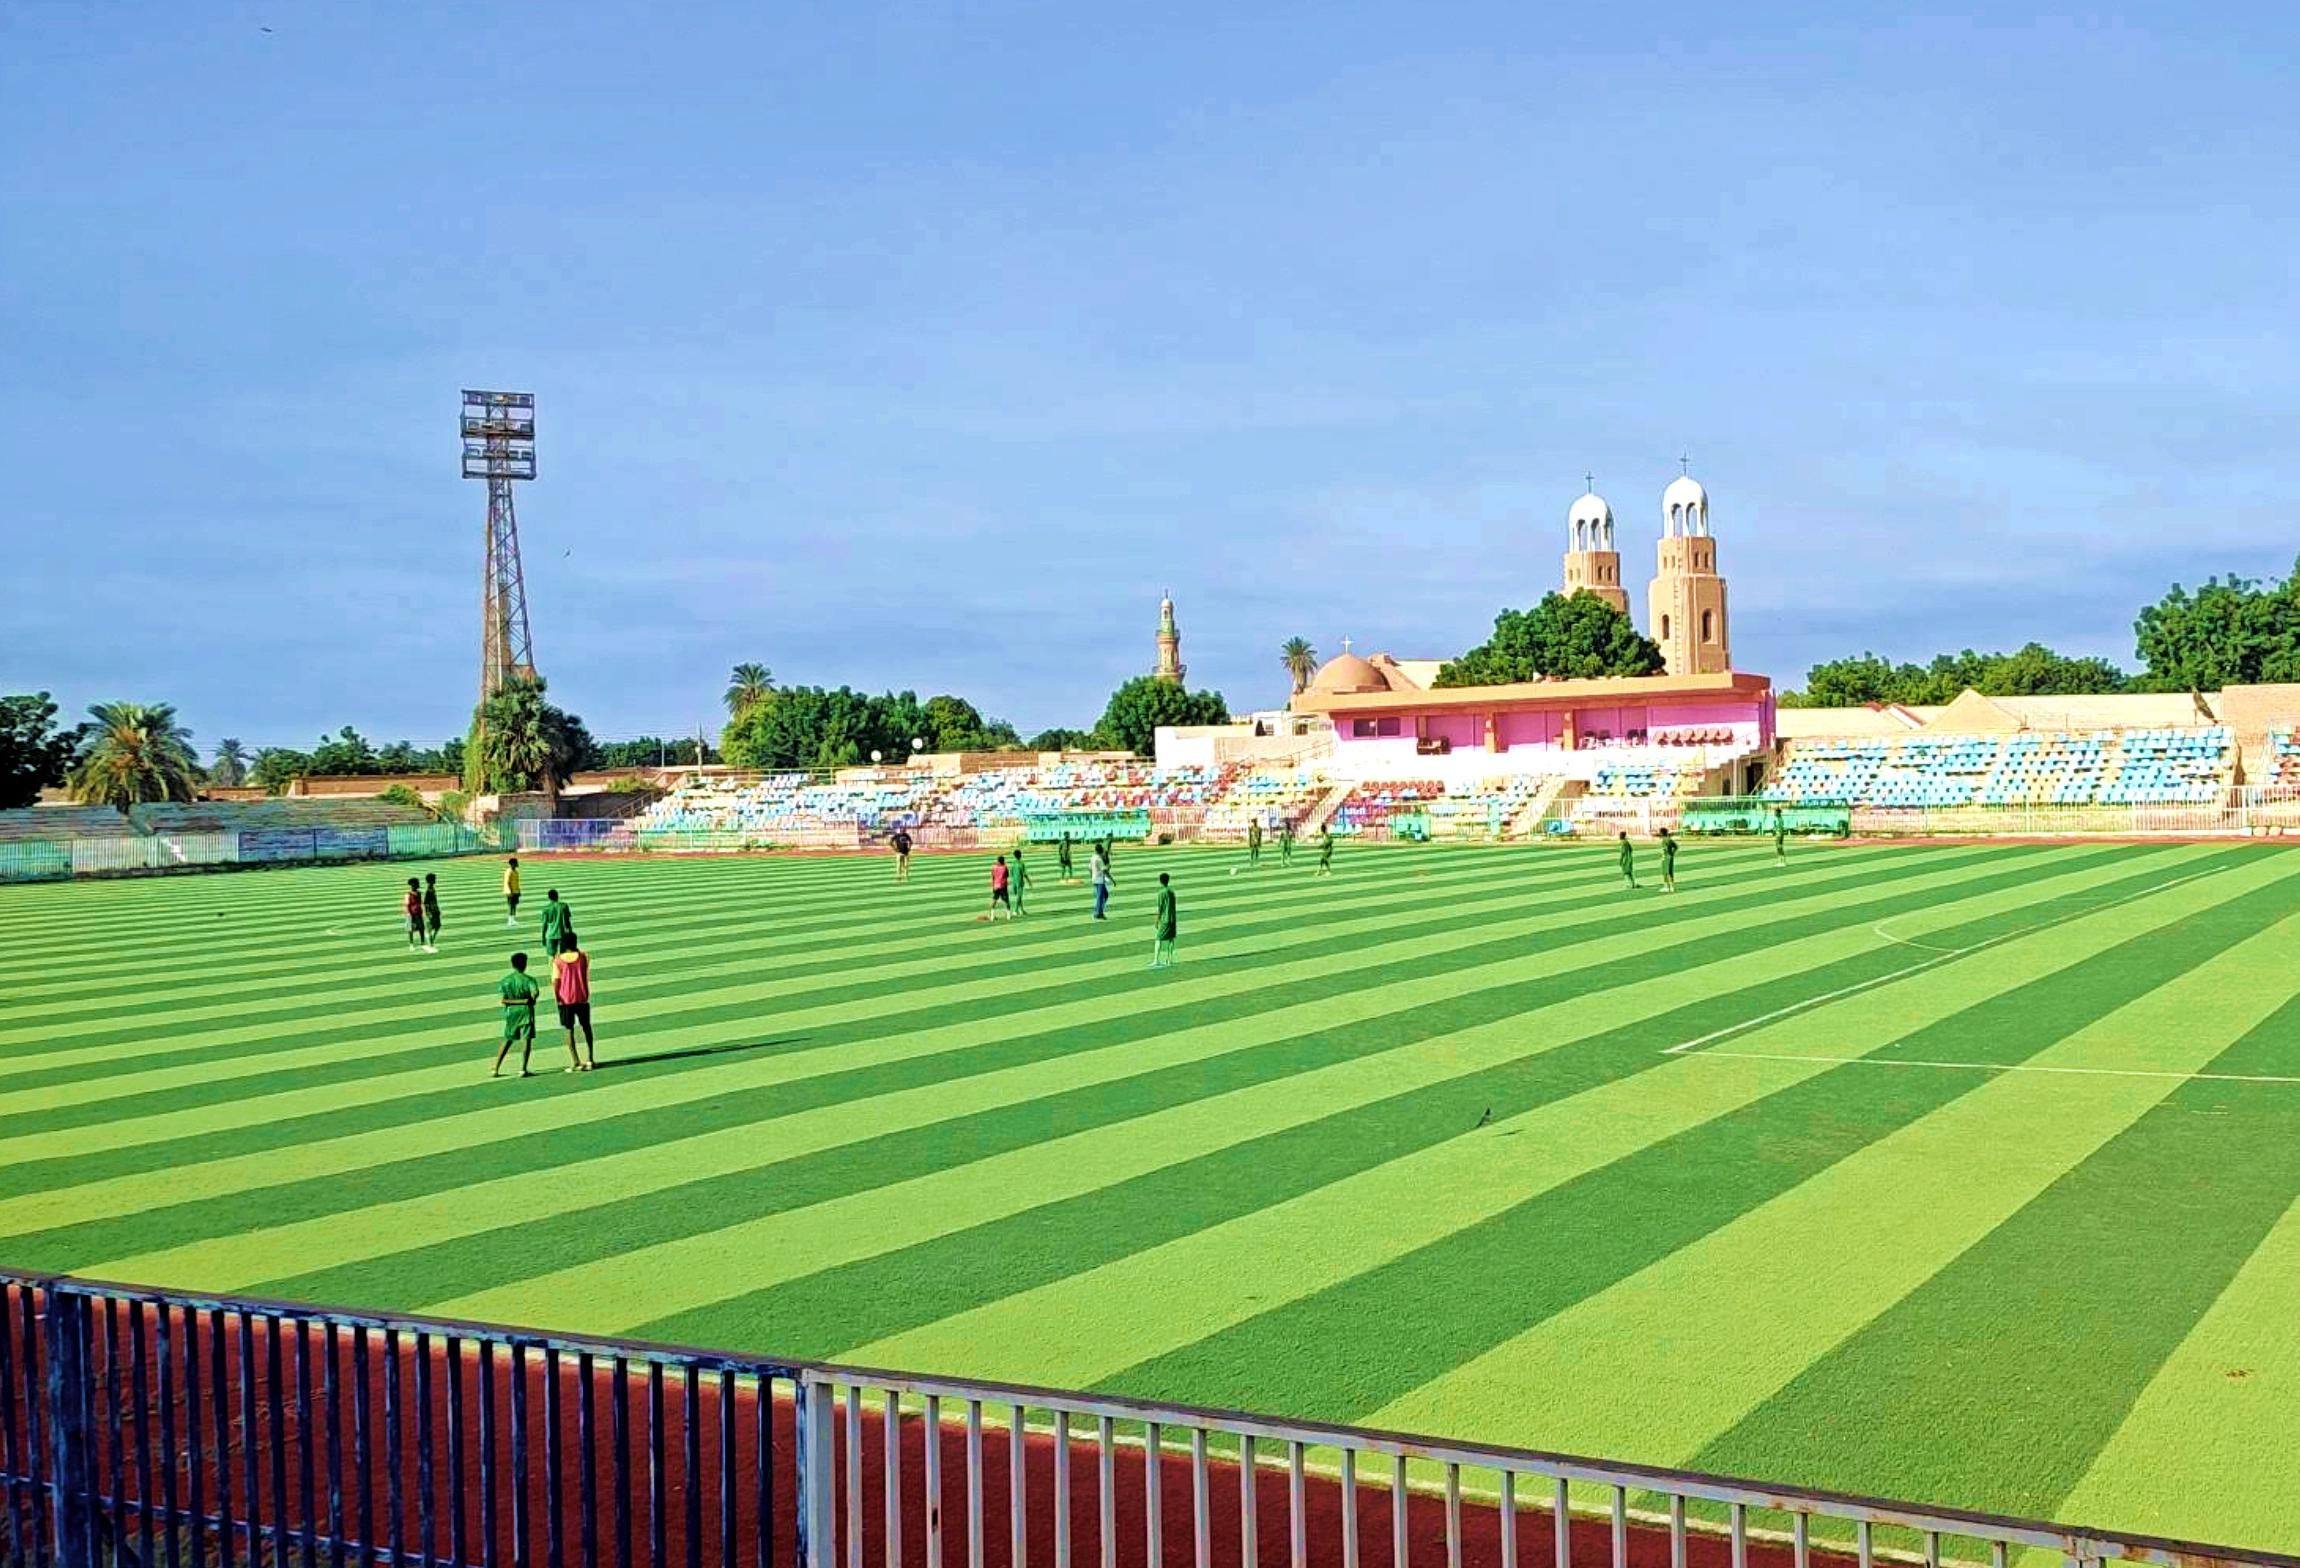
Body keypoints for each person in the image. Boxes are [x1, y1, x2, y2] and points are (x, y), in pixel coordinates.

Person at [491, 952, 542, 1078]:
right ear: (524, 964)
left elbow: (503, 1000)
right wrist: (526, 1000)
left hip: (511, 1013)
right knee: (526, 1040)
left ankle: (496, 1067)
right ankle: (523, 1068)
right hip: (525, 1012)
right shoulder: (529, 980)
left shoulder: (506, 981)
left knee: (508, 1039)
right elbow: (534, 994)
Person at [553, 944, 596, 1071]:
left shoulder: (558, 960)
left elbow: (556, 982)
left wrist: (557, 998)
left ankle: (576, 1061)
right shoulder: (583, 957)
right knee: (587, 1027)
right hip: (582, 997)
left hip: (566, 1000)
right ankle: (590, 1058)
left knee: (569, 1030)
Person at [1149, 872, 1177, 968]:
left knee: (1158, 939)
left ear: (1160, 881)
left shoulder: (1161, 893)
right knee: (1171, 939)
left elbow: (1160, 908)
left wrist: (1157, 920)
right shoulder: (1172, 892)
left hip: (1165, 919)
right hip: (1172, 918)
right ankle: (1169, 960)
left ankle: (1156, 960)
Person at [539, 888, 575, 956]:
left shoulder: (546, 909)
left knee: (551, 957)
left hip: (550, 935)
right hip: (562, 934)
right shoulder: (564, 906)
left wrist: (543, 937)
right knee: (563, 956)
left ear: (549, 897)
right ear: (557, 896)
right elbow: (568, 922)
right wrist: (570, 933)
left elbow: (544, 925)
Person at [1090, 843, 1114, 920]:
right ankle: (1097, 913)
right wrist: (1112, 879)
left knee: (1105, 895)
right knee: (1100, 897)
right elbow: (1104, 870)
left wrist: (1092, 876)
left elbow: (1089, 868)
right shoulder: (1099, 859)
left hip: (1095, 879)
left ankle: (1099, 912)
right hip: (1099, 880)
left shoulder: (1093, 857)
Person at [403, 878, 427, 952]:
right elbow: (407, 905)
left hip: (419, 913)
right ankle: (411, 944)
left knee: (421, 928)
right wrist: (408, 914)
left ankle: (422, 943)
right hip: (411, 914)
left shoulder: (419, 893)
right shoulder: (408, 894)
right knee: (411, 929)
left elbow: (421, 903)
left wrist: (424, 912)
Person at [422, 871, 443, 952]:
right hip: (432, 911)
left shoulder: (432, 889)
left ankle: (431, 942)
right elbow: (425, 903)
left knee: (438, 926)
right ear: (430, 880)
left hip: (435, 910)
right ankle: (430, 944)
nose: (435, 880)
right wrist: (428, 912)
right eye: (434, 879)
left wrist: (437, 909)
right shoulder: (428, 890)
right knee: (431, 928)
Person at [988, 855, 1014, 920]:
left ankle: (992, 916)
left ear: (998, 861)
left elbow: (992, 877)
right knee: (1006, 901)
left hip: (996, 886)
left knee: (994, 900)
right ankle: (1008, 916)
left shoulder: (994, 867)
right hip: (1003, 886)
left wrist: (993, 885)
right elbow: (1007, 875)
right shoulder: (1005, 867)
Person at [1010, 843, 1033, 914]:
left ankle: (1022, 910)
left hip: (1013, 882)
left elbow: (1011, 873)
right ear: (1020, 855)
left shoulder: (1013, 863)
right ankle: (1016, 910)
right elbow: (1025, 874)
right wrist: (1029, 882)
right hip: (1019, 882)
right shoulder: (1021, 863)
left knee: (1018, 896)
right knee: (1019, 897)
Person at [503, 857, 521, 926]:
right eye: (516, 862)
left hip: (515, 891)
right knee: (511, 906)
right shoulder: (509, 871)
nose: (517, 863)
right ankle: (509, 921)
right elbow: (507, 882)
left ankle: (513, 919)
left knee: (514, 906)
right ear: (512, 864)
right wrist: (510, 892)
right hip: (510, 892)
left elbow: (517, 882)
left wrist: (518, 890)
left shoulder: (516, 871)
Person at [1660, 828, 1679, 893]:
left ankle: (1666, 887)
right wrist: (1672, 853)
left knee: (1665, 872)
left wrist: (1665, 854)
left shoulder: (1664, 840)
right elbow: (1676, 846)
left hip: (1666, 857)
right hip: (1670, 857)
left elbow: (1665, 849)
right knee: (1670, 872)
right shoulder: (1670, 839)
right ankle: (1672, 887)